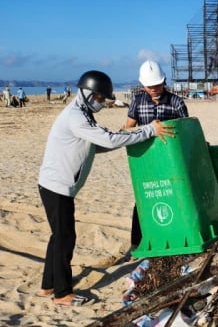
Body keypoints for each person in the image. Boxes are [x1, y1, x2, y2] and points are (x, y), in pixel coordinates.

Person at [37, 70, 176, 307]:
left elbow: (96, 145)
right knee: (65, 239)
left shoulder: (83, 113)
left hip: (56, 185)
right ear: (89, 93)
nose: (102, 102)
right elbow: (107, 140)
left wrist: (127, 137)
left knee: (58, 236)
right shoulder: (76, 117)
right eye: (100, 98)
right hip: (57, 186)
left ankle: (47, 285)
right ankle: (61, 293)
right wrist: (148, 131)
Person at [124, 60, 189, 259]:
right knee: (143, 198)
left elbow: (185, 130)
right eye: (149, 86)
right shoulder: (137, 101)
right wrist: (149, 129)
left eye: (157, 85)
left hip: (171, 160)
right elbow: (127, 129)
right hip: (146, 159)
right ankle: (136, 243)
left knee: (174, 194)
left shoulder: (176, 102)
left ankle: (176, 236)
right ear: (143, 85)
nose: (153, 89)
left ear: (164, 81)